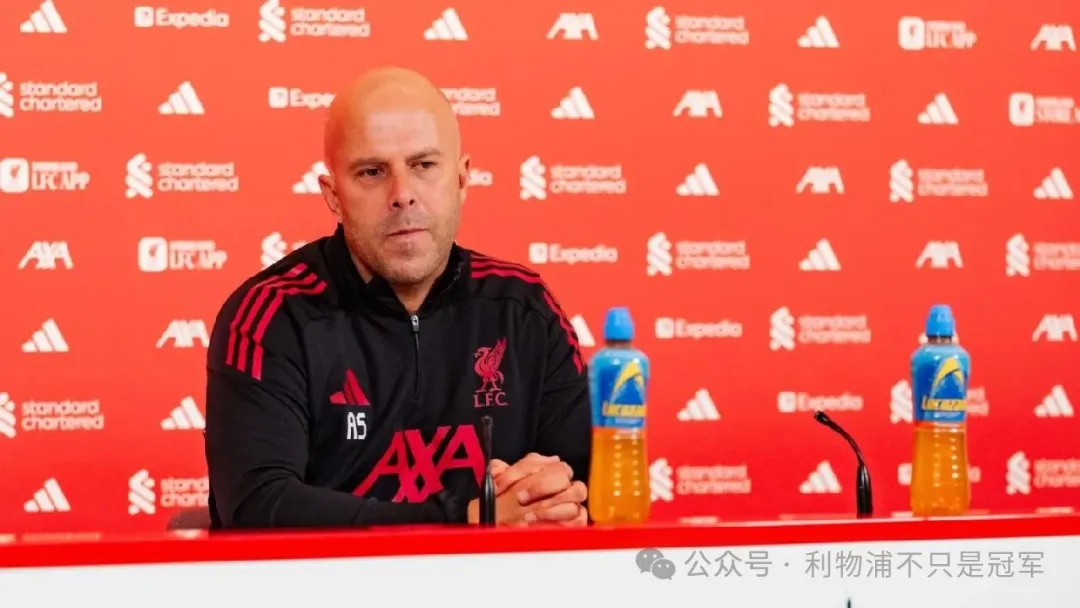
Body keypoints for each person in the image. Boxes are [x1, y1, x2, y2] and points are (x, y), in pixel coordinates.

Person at [203, 66, 591, 529]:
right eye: (372, 172)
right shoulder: (272, 317)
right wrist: (470, 520)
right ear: (333, 195)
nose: (402, 195)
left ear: (462, 178)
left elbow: (587, 484)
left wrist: (554, 499)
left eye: (424, 165)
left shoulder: (523, 308)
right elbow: (256, 508)